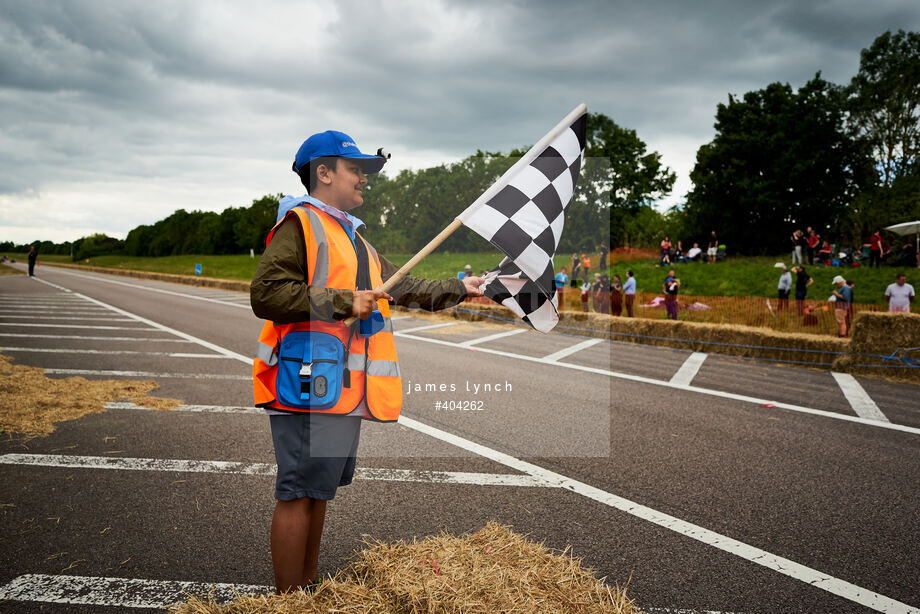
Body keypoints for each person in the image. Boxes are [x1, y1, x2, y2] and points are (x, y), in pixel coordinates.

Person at [250, 130, 485, 594]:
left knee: (318, 491)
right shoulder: (300, 223)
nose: (364, 179)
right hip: (305, 382)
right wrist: (343, 302)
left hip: (337, 388)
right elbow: (267, 294)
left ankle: (307, 590)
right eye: (355, 169)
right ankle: (287, 600)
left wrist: (462, 289)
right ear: (324, 173)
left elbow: (401, 285)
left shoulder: (351, 235)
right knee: (297, 491)